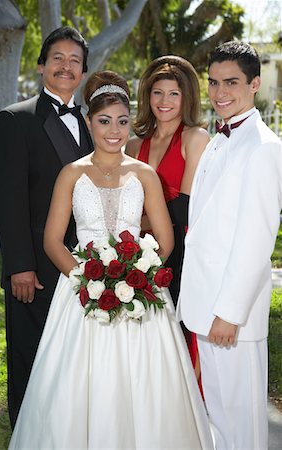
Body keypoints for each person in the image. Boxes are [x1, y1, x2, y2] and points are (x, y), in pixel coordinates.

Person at [8, 70, 213, 449]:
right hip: (81, 293)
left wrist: (138, 273)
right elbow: (54, 241)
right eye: (104, 121)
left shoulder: (145, 174)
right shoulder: (71, 174)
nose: (114, 130)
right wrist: (87, 279)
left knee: (147, 384)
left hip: (140, 292)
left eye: (121, 121)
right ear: (89, 123)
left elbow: (165, 240)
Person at [177, 41, 282, 449]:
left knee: (242, 425)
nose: (220, 93)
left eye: (232, 83)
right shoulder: (219, 138)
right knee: (218, 418)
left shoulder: (265, 148)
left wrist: (229, 313)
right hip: (206, 305)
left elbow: (256, 241)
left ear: (255, 84)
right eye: (214, 83)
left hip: (230, 316)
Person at [0, 26, 93, 428]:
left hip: (83, 268)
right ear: (41, 66)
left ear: (83, 72)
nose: (66, 67)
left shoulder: (94, 124)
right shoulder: (15, 120)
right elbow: (8, 197)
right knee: (31, 364)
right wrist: (19, 264)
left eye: (75, 61)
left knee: (71, 365)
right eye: (58, 58)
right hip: (34, 270)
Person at [126, 55, 209, 373]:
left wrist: (141, 223)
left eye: (174, 93)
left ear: (187, 97)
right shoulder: (134, 146)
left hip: (180, 252)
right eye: (157, 92)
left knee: (177, 334)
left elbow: (184, 207)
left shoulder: (195, 138)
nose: (165, 101)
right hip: (137, 253)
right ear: (147, 95)